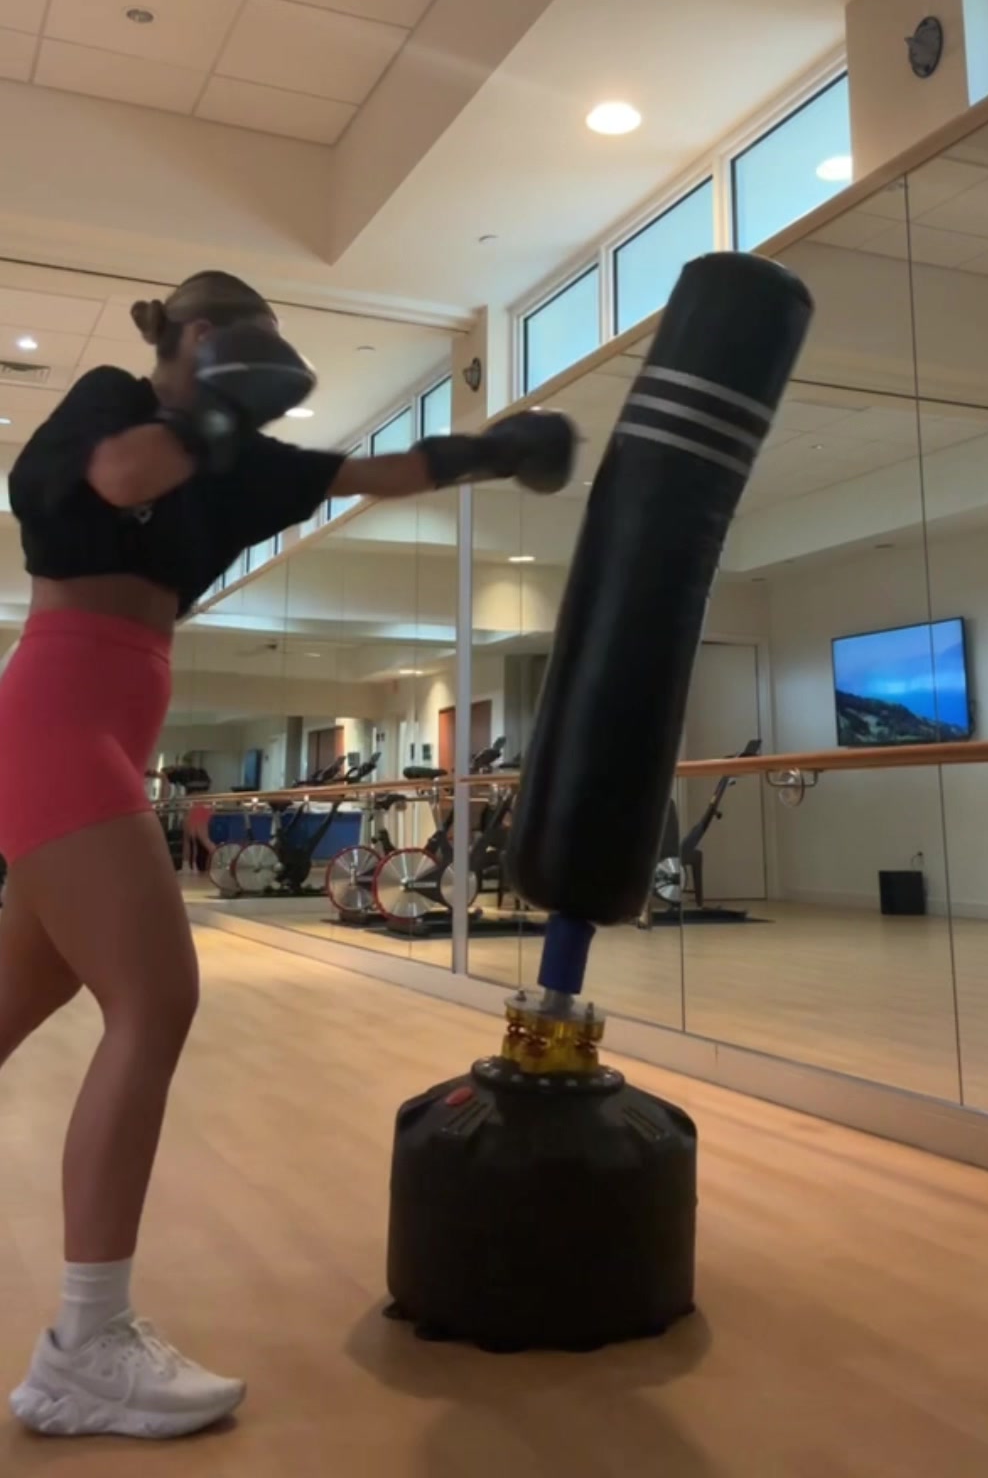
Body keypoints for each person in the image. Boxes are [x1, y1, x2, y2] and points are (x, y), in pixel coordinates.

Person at [0, 270, 574, 1440]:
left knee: (20, 999)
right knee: (156, 998)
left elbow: (366, 474)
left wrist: (493, 452)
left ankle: (86, 1349)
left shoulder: (237, 459)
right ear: (203, 336)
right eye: (243, 347)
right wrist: (216, 413)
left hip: (111, 719)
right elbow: (118, 479)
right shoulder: (116, 401)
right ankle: (86, 1347)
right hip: (59, 715)